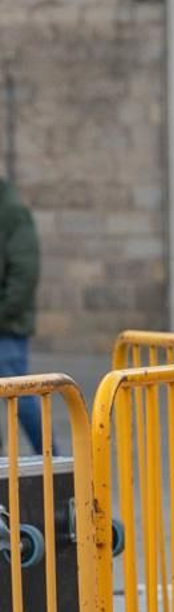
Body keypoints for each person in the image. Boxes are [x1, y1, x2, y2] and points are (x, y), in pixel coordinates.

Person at [0, 176, 43, 454]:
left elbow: (24, 273)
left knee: (19, 396)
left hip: (7, 326)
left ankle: (55, 461)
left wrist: (4, 313)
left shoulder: (12, 211)